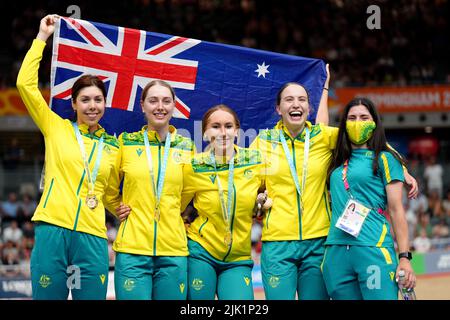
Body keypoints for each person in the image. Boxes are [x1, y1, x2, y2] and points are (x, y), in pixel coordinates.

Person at [250, 65, 418, 300]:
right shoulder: (262, 142)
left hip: (319, 242)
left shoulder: (324, 137)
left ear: (310, 107)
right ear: (278, 108)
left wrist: (401, 167)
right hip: (278, 242)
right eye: (288, 100)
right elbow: (246, 182)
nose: (295, 104)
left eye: (301, 99)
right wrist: (256, 203)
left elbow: (373, 139)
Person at [16, 14, 128, 300]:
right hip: (53, 228)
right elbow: (25, 85)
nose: (92, 105)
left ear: (105, 104)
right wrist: (42, 38)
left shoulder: (113, 147)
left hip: (92, 237)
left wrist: (123, 209)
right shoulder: (56, 127)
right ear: (74, 103)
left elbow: (110, 194)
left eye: (98, 100)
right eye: (86, 100)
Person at [104, 80, 195, 300]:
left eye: (166, 101)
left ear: (174, 105)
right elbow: (107, 186)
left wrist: (171, 209)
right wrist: (117, 207)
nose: (160, 106)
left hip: (173, 251)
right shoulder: (126, 143)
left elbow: (189, 191)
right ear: (142, 105)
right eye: (153, 101)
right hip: (132, 251)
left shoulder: (187, 147)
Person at [322, 97, 416, 300]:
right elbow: (320, 128)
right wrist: (324, 87)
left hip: (374, 248)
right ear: (344, 124)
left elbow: (397, 210)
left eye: (364, 117)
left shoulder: (385, 159)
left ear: (374, 123)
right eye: (352, 118)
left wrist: (405, 257)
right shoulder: (336, 162)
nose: (358, 123)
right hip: (336, 253)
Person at [181, 104, 267, 300]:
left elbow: (270, 192)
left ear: (237, 130)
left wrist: (261, 204)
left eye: (228, 126)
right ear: (204, 133)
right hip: (201, 252)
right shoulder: (194, 165)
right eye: (215, 126)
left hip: (238, 257)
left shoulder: (255, 161)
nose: (222, 132)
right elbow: (175, 205)